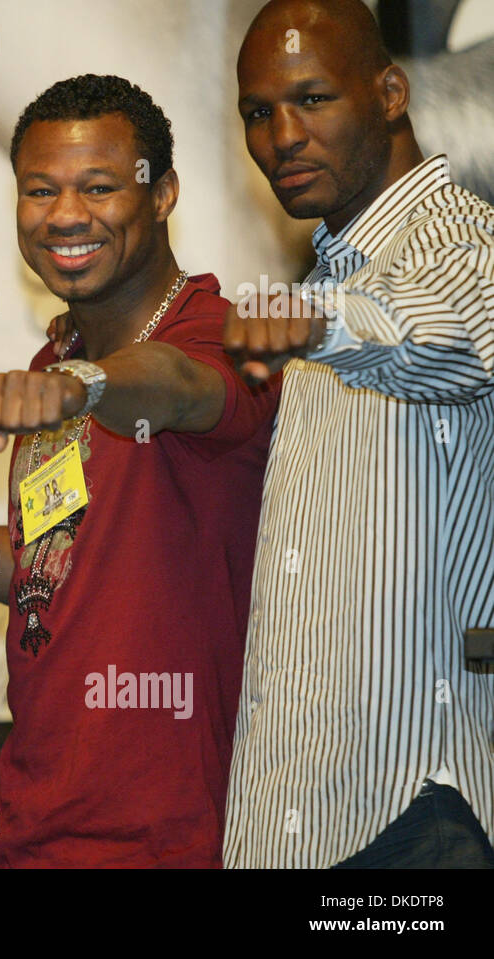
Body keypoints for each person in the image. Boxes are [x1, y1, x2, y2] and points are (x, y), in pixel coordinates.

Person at [0, 75, 280, 867]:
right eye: (40, 189)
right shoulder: (55, 358)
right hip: (29, 830)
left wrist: (85, 387)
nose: (65, 215)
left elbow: (171, 384)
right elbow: (47, 570)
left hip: (171, 841)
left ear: (164, 195)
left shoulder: (219, 337)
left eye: (99, 187)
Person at [222, 0, 494, 868]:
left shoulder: (462, 241)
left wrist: (318, 325)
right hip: (302, 809)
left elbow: (447, 337)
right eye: (258, 113)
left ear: (388, 91)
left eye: (312, 99)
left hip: (414, 807)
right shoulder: (328, 277)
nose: (282, 137)